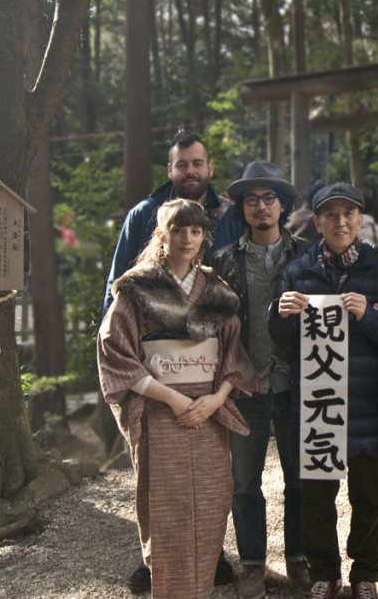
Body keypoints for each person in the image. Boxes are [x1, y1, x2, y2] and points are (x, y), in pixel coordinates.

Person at [102, 129, 241, 591]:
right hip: (162, 408)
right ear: (162, 233)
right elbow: (114, 348)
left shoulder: (218, 291)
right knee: (164, 501)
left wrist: (216, 398)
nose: (186, 238)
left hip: (207, 411)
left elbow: (233, 356)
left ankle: (202, 583)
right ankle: (166, 584)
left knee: (212, 498)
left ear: (205, 236)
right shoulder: (138, 287)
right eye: (177, 230)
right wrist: (172, 400)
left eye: (195, 230)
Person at [270, 182, 378, 599]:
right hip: (318, 404)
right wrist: (282, 315)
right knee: (316, 496)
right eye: (330, 214)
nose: (339, 221)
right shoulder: (298, 270)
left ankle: (366, 575)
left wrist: (370, 317)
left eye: (348, 213)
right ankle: (325, 572)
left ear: (360, 219)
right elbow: (283, 339)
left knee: (368, 496)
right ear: (318, 221)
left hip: (367, 402)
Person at [213, 162, 312, 599]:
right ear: (242, 208)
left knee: (299, 478)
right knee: (245, 482)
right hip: (245, 385)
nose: (260, 206)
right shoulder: (222, 261)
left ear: (283, 204)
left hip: (297, 384)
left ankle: (298, 558)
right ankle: (252, 563)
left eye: (269, 197)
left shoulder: (307, 256)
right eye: (250, 199)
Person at [103, 128, 241, 316]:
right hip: (151, 328)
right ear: (170, 170)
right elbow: (118, 282)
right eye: (182, 165)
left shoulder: (232, 216)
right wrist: (110, 330)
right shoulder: (144, 214)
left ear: (210, 168)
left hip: (218, 327)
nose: (190, 171)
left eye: (197, 163)